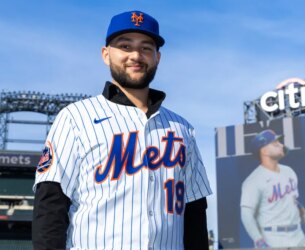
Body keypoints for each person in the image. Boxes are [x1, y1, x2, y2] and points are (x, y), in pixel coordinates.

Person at [32, 10, 212, 250]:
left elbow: (194, 211)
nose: (136, 55)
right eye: (125, 46)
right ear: (106, 55)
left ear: (158, 57)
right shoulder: (75, 118)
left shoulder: (182, 129)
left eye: (146, 48)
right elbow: (50, 204)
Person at [240, 129, 305, 248]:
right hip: (272, 237)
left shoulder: (289, 171)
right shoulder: (253, 180)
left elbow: (294, 203)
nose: (281, 145)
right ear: (264, 150)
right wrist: (258, 240)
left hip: (298, 235)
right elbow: (246, 214)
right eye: (276, 143)